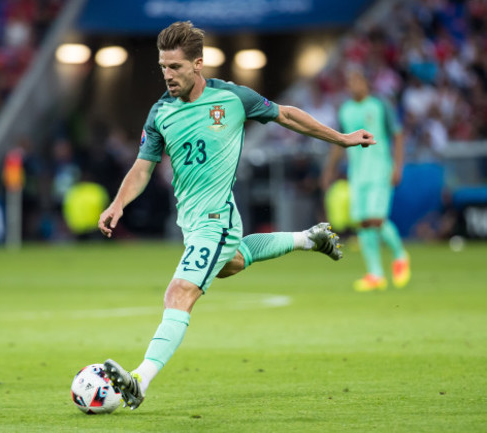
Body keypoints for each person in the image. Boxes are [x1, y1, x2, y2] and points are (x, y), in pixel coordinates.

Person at [97, 21, 376, 410]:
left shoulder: (232, 99)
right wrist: (117, 204)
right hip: (192, 222)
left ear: (199, 63)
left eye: (175, 67)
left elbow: (287, 115)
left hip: (217, 218)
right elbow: (143, 166)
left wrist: (342, 139)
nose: (167, 74)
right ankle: (308, 238)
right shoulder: (160, 112)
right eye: (163, 66)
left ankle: (140, 379)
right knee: (234, 262)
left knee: (179, 293)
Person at [321, 68, 411, 292]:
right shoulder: (346, 110)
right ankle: (375, 274)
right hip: (357, 174)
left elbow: (398, 135)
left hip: (380, 171)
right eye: (350, 82)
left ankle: (400, 255)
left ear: (366, 83)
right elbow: (339, 141)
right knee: (362, 222)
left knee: (375, 219)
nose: (353, 86)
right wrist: (329, 170)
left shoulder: (380, 105)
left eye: (357, 81)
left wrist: (398, 167)